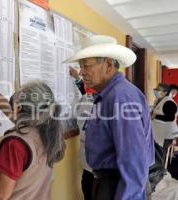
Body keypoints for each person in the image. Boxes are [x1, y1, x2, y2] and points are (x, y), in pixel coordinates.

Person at [64, 35, 155, 200]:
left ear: (108, 65)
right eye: (80, 66)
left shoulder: (121, 97)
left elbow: (134, 161)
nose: (81, 71)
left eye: (86, 65)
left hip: (118, 185)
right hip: (110, 182)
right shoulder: (110, 94)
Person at [0, 67, 65, 200]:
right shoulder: (45, 131)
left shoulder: (15, 143)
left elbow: (1, 193)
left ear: (18, 108)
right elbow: (10, 112)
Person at [69, 66, 95, 200]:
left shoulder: (110, 101)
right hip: (87, 164)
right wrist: (77, 78)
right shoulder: (87, 97)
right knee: (86, 189)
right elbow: (85, 91)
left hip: (103, 170)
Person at [151, 83, 178, 152]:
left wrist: (155, 116)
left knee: (162, 155)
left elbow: (170, 118)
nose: (156, 91)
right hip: (160, 134)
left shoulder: (169, 102)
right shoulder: (161, 101)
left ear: (165, 92)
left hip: (166, 135)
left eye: (158, 90)